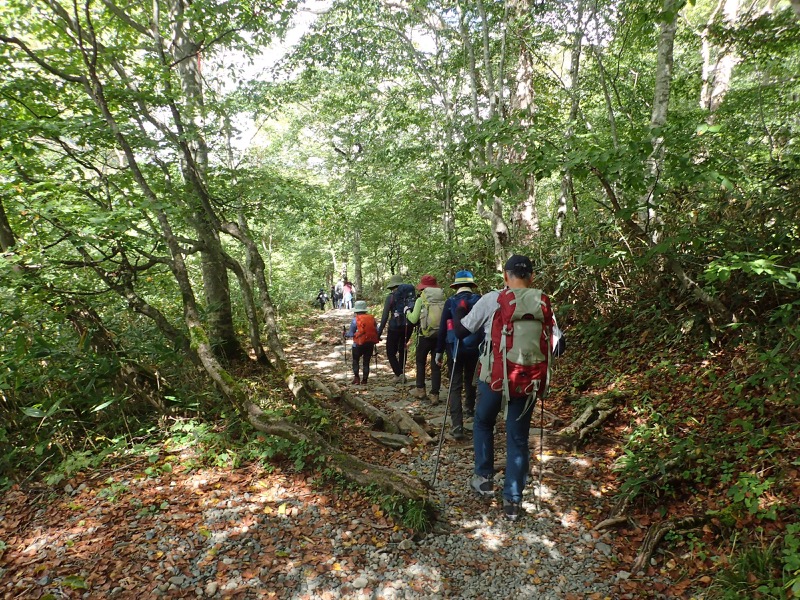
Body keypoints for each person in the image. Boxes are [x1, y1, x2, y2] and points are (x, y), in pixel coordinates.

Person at [451, 254, 562, 522]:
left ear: (505, 275)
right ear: (532, 276)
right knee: (518, 437)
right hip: (529, 380)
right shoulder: (542, 302)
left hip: (494, 378)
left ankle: (484, 478)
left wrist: (457, 312)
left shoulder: (492, 299)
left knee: (482, 422)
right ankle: (513, 502)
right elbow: (558, 344)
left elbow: (462, 332)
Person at [436, 270, 481, 440]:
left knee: (455, 385)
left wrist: (439, 351)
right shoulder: (479, 300)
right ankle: (470, 408)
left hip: (454, 348)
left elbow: (442, 329)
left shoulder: (450, 302)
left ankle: (457, 426)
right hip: (474, 347)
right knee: (471, 378)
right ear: (471, 285)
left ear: (456, 285)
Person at [405, 275, 444, 404]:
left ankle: (421, 390)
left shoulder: (421, 299)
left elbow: (414, 319)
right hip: (439, 336)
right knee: (436, 364)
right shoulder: (442, 298)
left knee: (420, 362)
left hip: (424, 335)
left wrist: (407, 312)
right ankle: (435, 395)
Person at [376, 273, 414, 384]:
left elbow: (384, 316)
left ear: (392, 286)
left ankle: (399, 374)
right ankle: (401, 372)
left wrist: (379, 332)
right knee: (403, 348)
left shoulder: (390, 297)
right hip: (408, 326)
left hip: (394, 327)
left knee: (390, 351)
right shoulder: (409, 297)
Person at [344, 301, 379, 385]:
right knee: (366, 362)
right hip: (370, 343)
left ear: (356, 311)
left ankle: (356, 378)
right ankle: (365, 380)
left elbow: (351, 333)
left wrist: (345, 334)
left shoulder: (355, 320)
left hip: (358, 344)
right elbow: (376, 331)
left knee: (355, 360)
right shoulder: (372, 318)